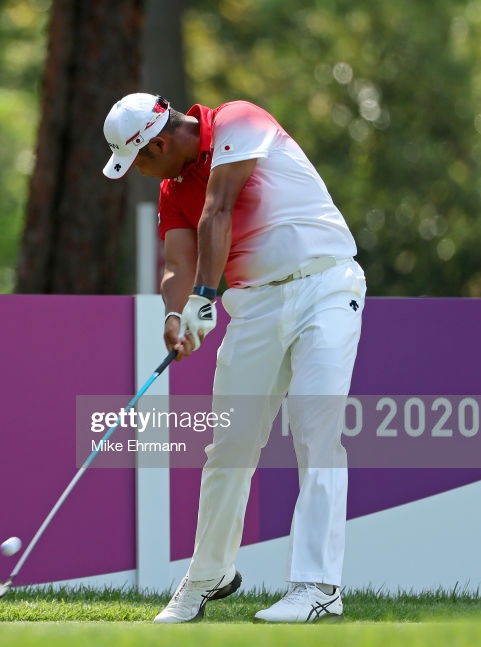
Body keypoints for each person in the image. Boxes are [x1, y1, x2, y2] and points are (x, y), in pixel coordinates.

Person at [102, 93, 366, 623]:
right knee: (231, 445)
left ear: (157, 142)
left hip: (326, 286)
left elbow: (218, 210)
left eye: (140, 161)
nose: (139, 173)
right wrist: (176, 316)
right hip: (255, 306)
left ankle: (317, 587)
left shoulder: (238, 120)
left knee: (316, 432)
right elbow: (178, 261)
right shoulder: (171, 189)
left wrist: (203, 297)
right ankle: (208, 575)